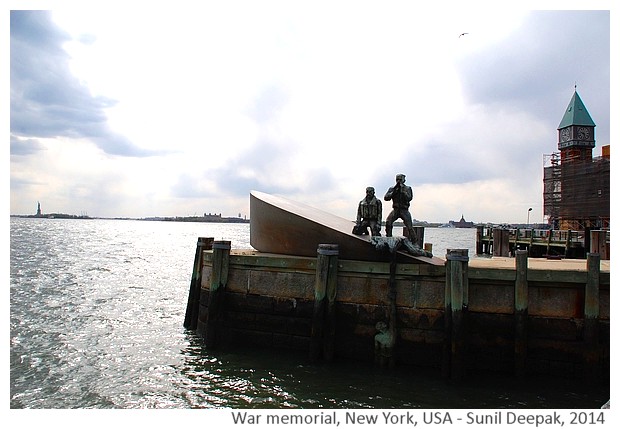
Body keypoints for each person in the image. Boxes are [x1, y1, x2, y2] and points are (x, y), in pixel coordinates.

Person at [384, 174, 415, 240]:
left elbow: (409, 198)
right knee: (388, 222)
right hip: (395, 210)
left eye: (400, 180)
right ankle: (389, 238)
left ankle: (414, 241)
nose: (398, 181)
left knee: (409, 226)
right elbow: (386, 198)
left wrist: (403, 192)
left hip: (404, 210)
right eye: (397, 180)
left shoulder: (408, 188)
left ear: (404, 180)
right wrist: (394, 192)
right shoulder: (392, 189)